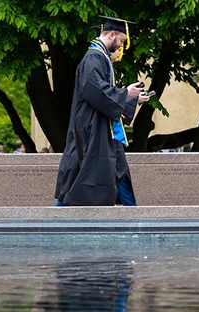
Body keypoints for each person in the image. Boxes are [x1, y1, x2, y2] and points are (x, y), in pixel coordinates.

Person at [55, 16, 150, 206]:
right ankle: (54, 221)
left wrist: (130, 97)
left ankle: (135, 218)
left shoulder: (100, 58)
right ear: (112, 34)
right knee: (80, 180)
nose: (121, 46)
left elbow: (103, 93)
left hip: (103, 128)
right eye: (122, 41)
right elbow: (95, 91)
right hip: (92, 129)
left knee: (118, 169)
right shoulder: (93, 58)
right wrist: (125, 94)